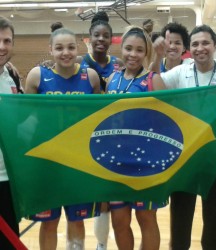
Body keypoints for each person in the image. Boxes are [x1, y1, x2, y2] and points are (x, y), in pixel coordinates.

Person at [152, 24, 216, 250]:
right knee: (180, 222)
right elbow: (154, 85)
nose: (201, 48)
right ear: (190, 48)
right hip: (185, 160)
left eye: (205, 43)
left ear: (215, 45)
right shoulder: (182, 72)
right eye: (196, 44)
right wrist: (156, 57)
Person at [25, 27, 101, 250]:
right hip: (47, 163)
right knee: (49, 222)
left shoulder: (91, 77)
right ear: (50, 50)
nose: (65, 52)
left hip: (79, 162)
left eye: (70, 47)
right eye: (59, 48)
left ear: (77, 48)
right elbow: (23, 117)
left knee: (77, 220)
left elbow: (99, 119)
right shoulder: (37, 76)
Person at [106, 25, 166, 250]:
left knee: (146, 219)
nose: (133, 54)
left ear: (146, 53)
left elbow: (165, 124)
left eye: (139, 50)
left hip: (145, 163)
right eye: (129, 48)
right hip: (114, 163)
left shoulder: (153, 80)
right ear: (121, 48)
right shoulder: (112, 78)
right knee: (119, 222)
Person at [78, 11, 124, 250]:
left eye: (106, 36)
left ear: (111, 39)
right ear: (89, 38)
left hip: (112, 136)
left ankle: (102, 243)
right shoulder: (78, 62)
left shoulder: (119, 65)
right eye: (97, 35)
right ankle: (82, 243)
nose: (101, 40)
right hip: (85, 136)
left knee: (107, 196)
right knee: (88, 197)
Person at [0, 16, 22, 250]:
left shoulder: (12, 76)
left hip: (8, 178)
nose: (2, 47)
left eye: (7, 41)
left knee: (10, 241)